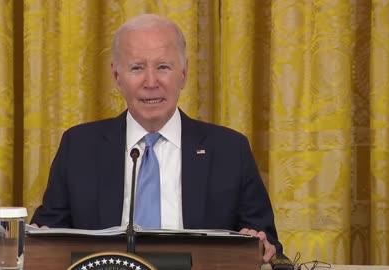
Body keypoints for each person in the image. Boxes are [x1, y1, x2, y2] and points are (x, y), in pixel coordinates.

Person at [31, 13, 283, 262]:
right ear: (117, 77)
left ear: (183, 73)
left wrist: (260, 246)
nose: (151, 82)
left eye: (163, 67)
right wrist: (38, 240)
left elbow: (267, 244)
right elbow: (47, 237)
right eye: (137, 68)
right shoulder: (79, 147)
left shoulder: (229, 149)